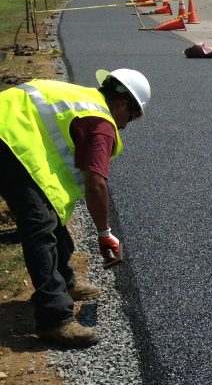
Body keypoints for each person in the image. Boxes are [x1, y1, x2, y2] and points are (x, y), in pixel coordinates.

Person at [0, 69, 150, 348]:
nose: (125, 126)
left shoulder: (83, 99)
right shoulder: (101, 122)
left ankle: (65, 282)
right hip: (7, 138)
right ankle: (55, 320)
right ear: (123, 105)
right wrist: (105, 233)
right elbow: (96, 184)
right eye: (130, 118)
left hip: (10, 131)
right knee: (39, 228)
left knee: (50, 217)